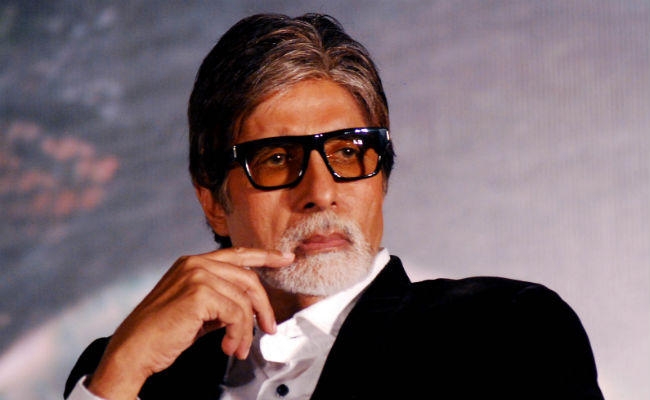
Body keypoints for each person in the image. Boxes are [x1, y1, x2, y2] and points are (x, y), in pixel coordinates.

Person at [64, 13, 604, 400]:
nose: (321, 192)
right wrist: (120, 373)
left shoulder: (503, 333)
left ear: (381, 179)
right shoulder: (126, 374)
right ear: (213, 203)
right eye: (278, 159)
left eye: (348, 152)